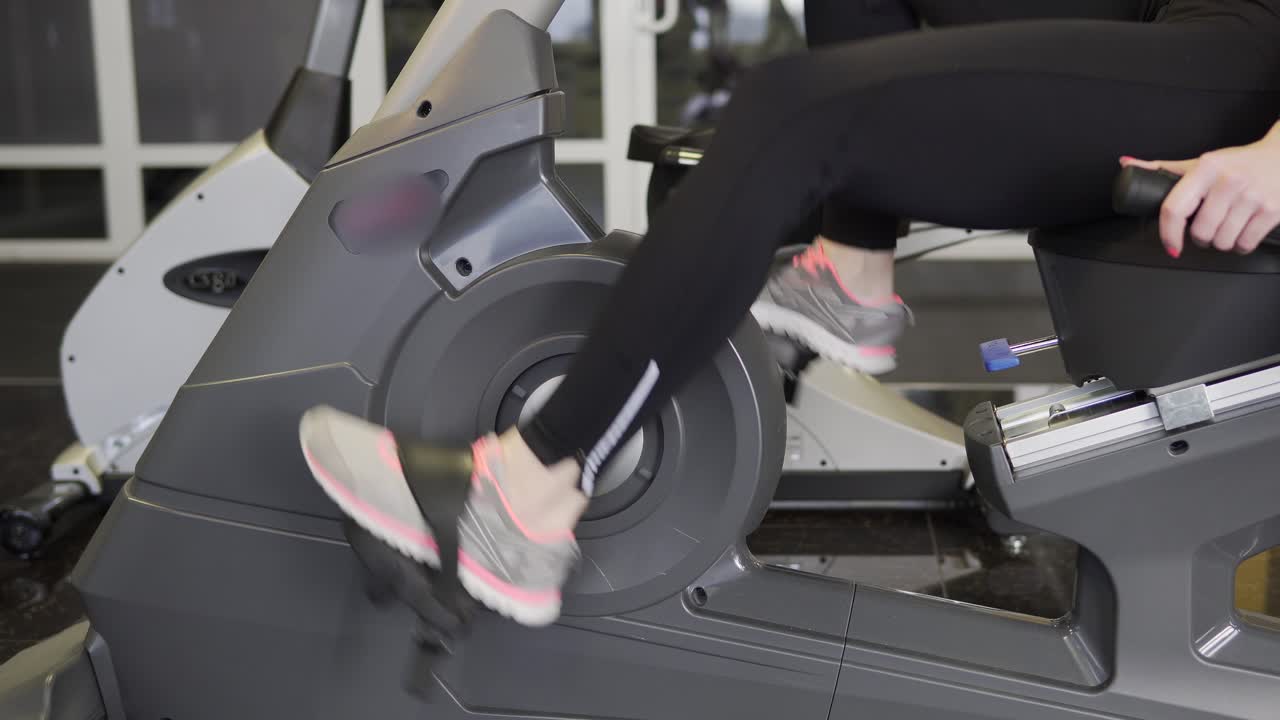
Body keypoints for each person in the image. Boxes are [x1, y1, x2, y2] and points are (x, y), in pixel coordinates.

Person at [299, 0, 1280, 628]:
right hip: (1168, 20)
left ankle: (532, 488)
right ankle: (850, 273)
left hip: (1238, 57)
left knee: (790, 110)